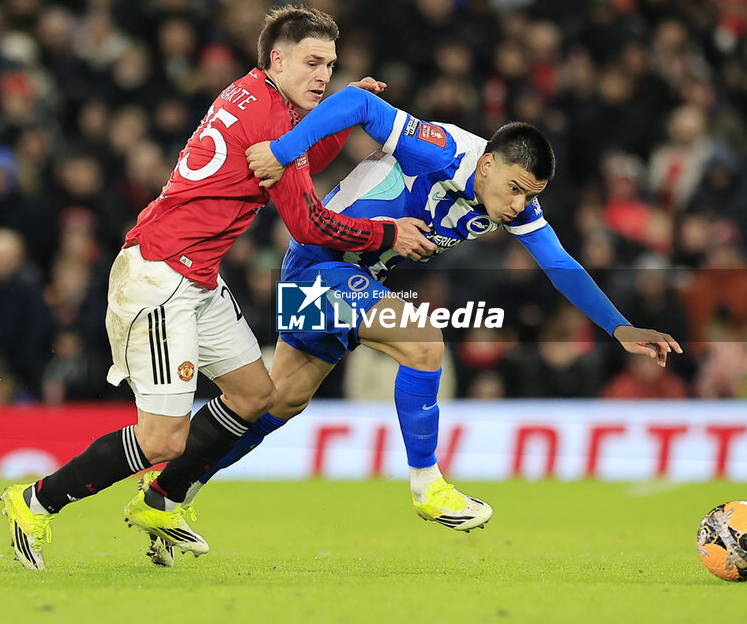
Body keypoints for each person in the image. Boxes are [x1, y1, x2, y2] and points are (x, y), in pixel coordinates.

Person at [140, 86, 682, 565]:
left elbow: (561, 264)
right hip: (320, 264)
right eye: (516, 188)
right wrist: (284, 151)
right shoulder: (442, 149)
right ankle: (428, 485)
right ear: (487, 164)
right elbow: (359, 103)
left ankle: (167, 494)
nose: (519, 205)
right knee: (423, 341)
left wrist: (620, 328)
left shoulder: (513, 207)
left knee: (277, 402)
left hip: (349, 278)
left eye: (530, 195)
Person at [0, 5, 436, 571]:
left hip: (197, 275)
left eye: (330, 65)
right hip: (160, 276)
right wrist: (388, 233)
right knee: (163, 440)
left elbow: (302, 154)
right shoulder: (271, 119)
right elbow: (308, 225)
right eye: (312, 62)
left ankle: (161, 502)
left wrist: (343, 116)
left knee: (255, 395)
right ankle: (35, 501)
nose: (323, 75)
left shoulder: (256, 96)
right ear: (277, 59)